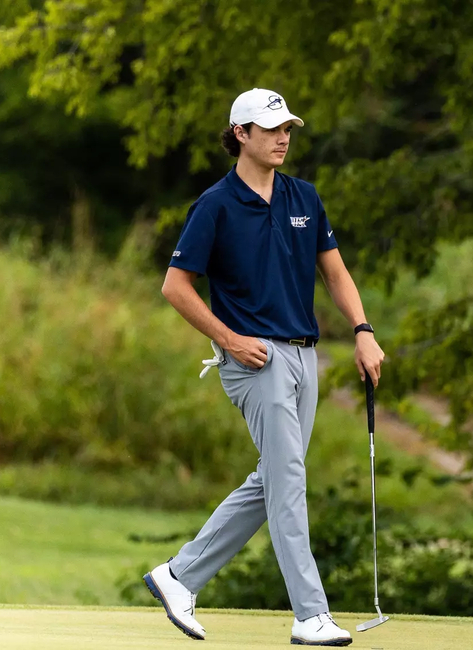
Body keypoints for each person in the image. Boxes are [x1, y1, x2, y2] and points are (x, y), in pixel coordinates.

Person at [143, 88, 385, 647]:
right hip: (255, 358)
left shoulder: (304, 196)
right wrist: (228, 339)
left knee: (275, 476)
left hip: (306, 353)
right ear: (240, 134)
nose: (282, 137)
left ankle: (179, 576)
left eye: (288, 129)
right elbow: (174, 287)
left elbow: (337, 274)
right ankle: (310, 614)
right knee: (289, 481)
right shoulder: (216, 205)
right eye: (270, 128)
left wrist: (363, 330)